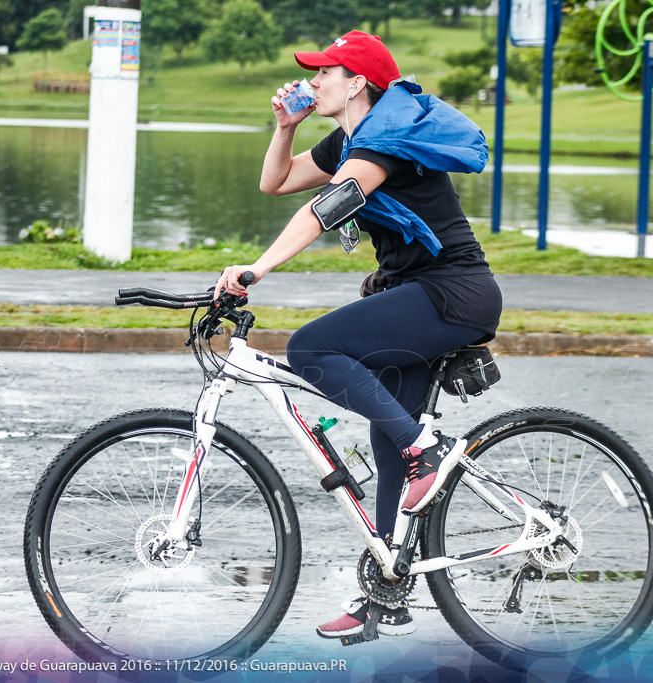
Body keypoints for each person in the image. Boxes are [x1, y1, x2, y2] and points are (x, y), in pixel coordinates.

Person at [214, 30, 502, 639]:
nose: (312, 82)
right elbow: (278, 182)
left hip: (450, 294)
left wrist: (255, 270)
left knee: (310, 348)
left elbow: (328, 207)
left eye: (325, 73)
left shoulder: (385, 142)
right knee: (388, 435)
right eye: (313, 74)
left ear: (357, 84)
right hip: (415, 293)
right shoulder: (348, 137)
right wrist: (285, 126)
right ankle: (387, 590)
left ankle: (429, 452)